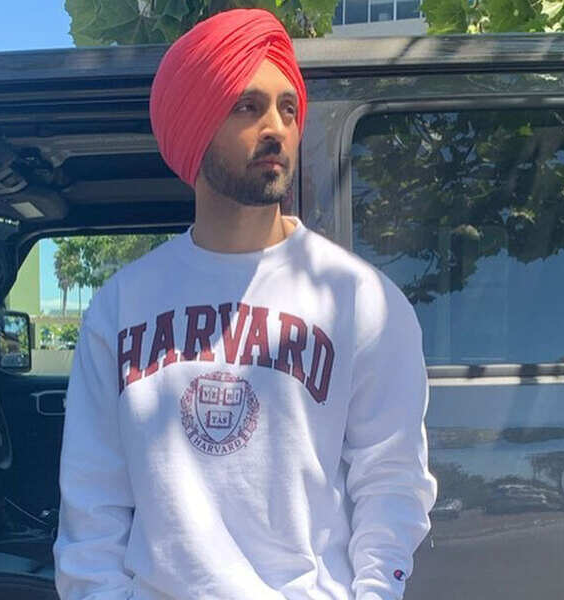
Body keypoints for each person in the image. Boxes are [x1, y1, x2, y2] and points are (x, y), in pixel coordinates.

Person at [53, 8, 438, 600]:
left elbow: (392, 480)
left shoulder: (359, 300)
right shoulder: (120, 307)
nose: (276, 127)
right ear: (194, 123)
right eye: (247, 106)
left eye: (288, 108)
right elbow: (91, 501)